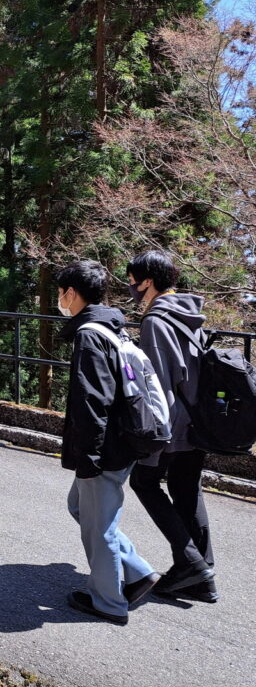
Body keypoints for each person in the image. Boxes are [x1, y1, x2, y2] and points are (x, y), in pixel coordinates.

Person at [54, 260, 158, 625]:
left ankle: (109, 603)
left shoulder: (90, 334)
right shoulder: (113, 327)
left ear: (71, 293)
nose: (59, 299)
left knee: (99, 527)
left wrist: (90, 456)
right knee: (79, 506)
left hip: (107, 446)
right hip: (124, 438)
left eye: (60, 292)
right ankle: (139, 573)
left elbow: (92, 400)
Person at [127, 251, 217, 603]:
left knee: (144, 482)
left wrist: (150, 434)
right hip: (198, 419)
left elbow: (157, 383)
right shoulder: (188, 314)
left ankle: (191, 563)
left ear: (148, 281)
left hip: (172, 422)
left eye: (134, 281)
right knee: (187, 489)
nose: (132, 287)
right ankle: (204, 577)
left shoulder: (155, 320)